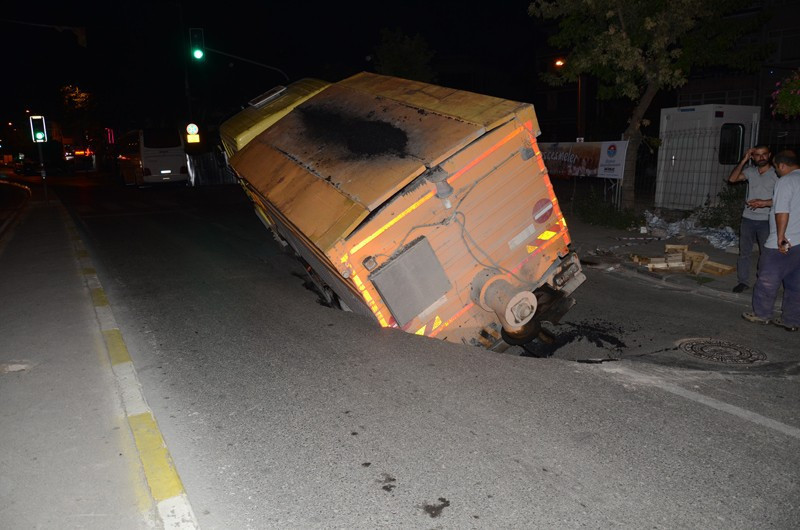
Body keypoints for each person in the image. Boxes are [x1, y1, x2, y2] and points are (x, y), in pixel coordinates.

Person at [742, 150, 800, 332]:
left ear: (782, 165)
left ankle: (762, 314)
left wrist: (781, 238)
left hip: (784, 241)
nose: (776, 171)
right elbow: (792, 202)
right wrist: (765, 203)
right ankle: (791, 320)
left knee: (767, 279)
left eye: (776, 168)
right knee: (795, 284)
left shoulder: (785, 181)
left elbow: (783, 210)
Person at [728, 145, 779, 293]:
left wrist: (764, 203)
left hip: (767, 219)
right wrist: (744, 160)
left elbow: (784, 198)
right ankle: (743, 281)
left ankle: (764, 283)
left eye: (764, 154)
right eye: (757, 155)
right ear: (753, 157)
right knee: (744, 252)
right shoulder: (750, 171)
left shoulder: (777, 174)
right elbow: (732, 179)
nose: (761, 157)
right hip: (748, 218)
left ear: (769, 155)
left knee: (766, 253)